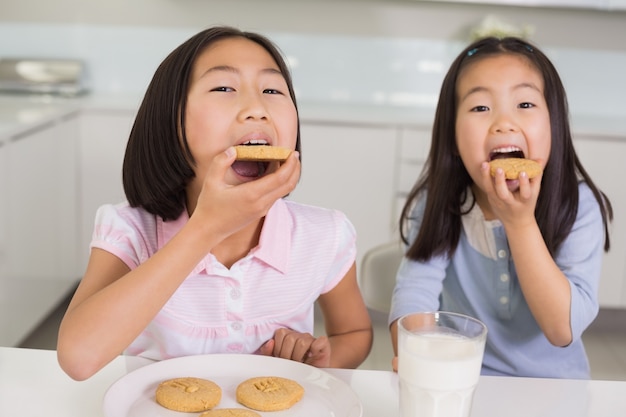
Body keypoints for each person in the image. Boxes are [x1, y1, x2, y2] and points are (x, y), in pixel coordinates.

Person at [57, 26, 373, 381]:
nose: (257, 108)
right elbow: (78, 358)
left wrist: (320, 357)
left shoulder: (324, 235)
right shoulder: (130, 230)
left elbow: (354, 334)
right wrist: (208, 227)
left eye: (272, 90)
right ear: (170, 120)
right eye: (224, 88)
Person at [389, 36, 613, 379]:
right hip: (464, 378)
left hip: (556, 388)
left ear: (554, 122)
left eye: (524, 104)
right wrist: (417, 354)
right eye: (480, 107)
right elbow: (415, 291)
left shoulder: (578, 206)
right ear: (452, 135)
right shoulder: (439, 203)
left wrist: (520, 223)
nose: (503, 123)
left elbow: (561, 330)